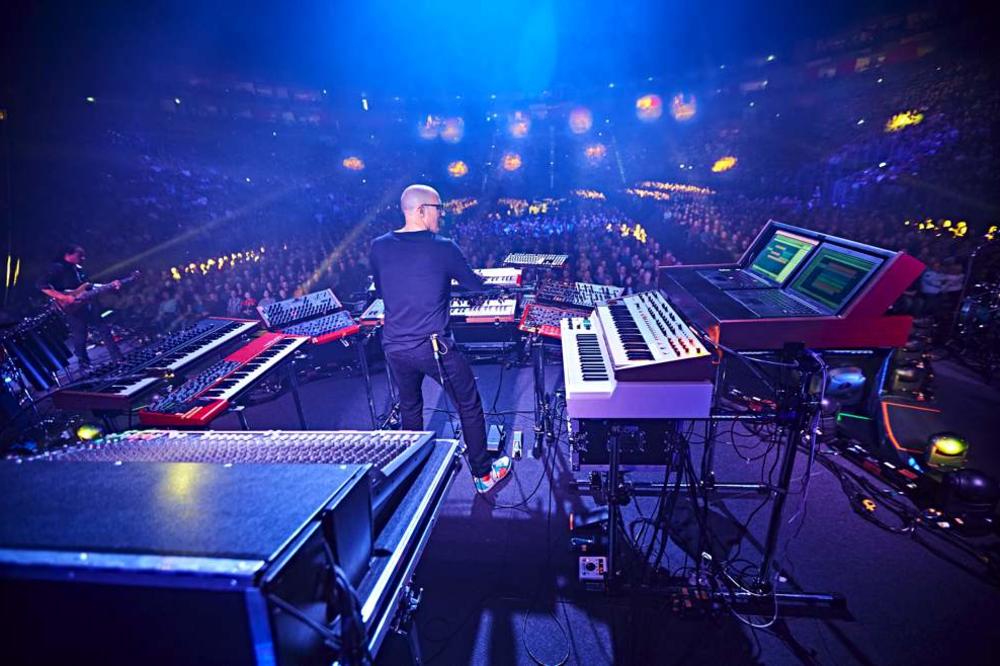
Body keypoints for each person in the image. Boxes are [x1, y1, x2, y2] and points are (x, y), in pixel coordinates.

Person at [370, 184, 512, 494]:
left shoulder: (378, 246)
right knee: (469, 402)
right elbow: (475, 286)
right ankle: (483, 474)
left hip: (394, 345)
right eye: (438, 208)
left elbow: (383, 292)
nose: (442, 214)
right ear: (421, 211)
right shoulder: (442, 247)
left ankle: (411, 472)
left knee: (410, 407)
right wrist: (491, 284)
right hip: (433, 346)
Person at [36, 244, 122, 369]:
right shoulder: (57, 268)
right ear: (68, 255)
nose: (83, 258)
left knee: (104, 328)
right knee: (80, 336)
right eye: (79, 255)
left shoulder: (78, 269)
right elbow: (41, 285)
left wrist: (110, 285)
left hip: (86, 304)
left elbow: (88, 286)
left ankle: (118, 358)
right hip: (71, 306)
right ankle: (84, 363)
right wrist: (64, 297)